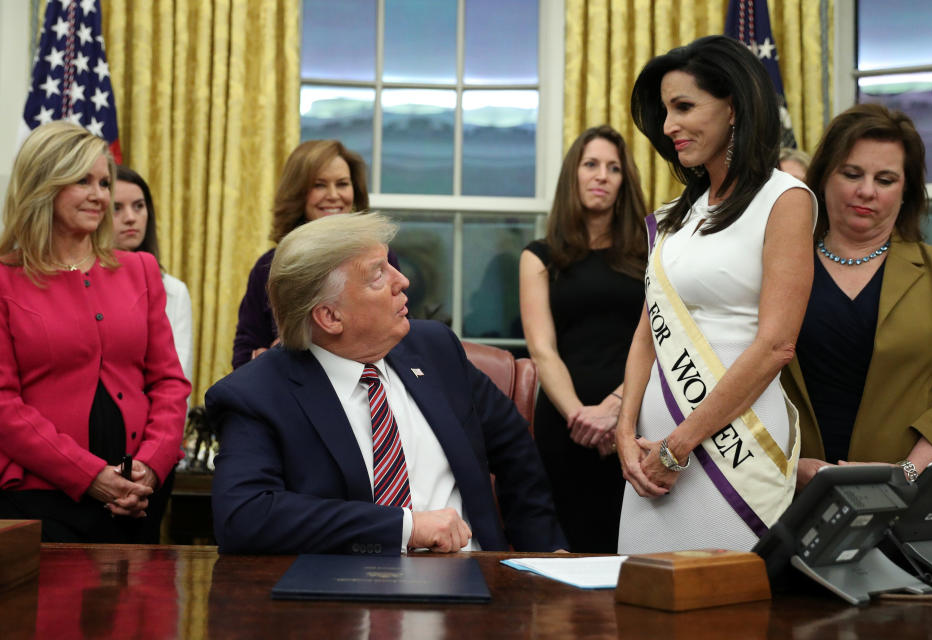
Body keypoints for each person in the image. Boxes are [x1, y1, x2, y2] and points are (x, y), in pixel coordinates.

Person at [208, 212, 567, 555]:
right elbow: (244, 516)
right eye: (378, 274)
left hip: (473, 581)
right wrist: (405, 528)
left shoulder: (436, 350)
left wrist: (544, 552)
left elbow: (515, 447)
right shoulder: (259, 393)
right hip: (347, 601)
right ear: (330, 316)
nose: (403, 280)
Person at [616, 35, 817, 554]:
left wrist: (679, 446)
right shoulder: (671, 218)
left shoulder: (785, 200)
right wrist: (624, 430)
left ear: (733, 107)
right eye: (664, 111)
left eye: (684, 106)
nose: (667, 126)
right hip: (649, 459)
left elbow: (776, 345)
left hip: (733, 454)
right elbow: (646, 333)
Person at [0, 121, 190, 543]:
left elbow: (169, 382)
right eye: (82, 181)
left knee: (137, 609)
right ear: (43, 185)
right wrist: (91, 476)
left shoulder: (140, 270)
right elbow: (4, 405)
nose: (100, 195)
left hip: (138, 497)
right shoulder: (5, 280)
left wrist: (150, 468)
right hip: (42, 499)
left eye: (104, 182)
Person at [781, 103, 932, 488]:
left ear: (906, 189)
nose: (866, 191)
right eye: (852, 173)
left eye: (885, 179)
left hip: (907, 508)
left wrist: (904, 475)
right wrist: (784, 470)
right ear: (824, 175)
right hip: (783, 500)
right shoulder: (775, 269)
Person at [519, 125, 647, 553]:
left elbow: (662, 345)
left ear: (624, 181)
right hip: (564, 423)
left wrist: (615, 411)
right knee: (564, 551)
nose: (602, 176)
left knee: (630, 548)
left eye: (613, 168)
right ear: (573, 174)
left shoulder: (652, 251)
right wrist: (581, 418)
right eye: (591, 164)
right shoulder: (540, 256)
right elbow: (542, 349)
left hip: (637, 418)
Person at [232, 140, 399, 369]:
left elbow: (400, 333)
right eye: (319, 185)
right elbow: (243, 355)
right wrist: (267, 358)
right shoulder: (269, 267)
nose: (333, 195)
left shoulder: (381, 261)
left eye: (342, 184)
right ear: (298, 193)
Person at [112, 165, 193, 384]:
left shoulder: (174, 291)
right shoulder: (84, 283)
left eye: (138, 206)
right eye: (116, 208)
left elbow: (178, 376)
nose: (130, 218)